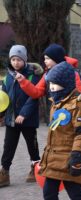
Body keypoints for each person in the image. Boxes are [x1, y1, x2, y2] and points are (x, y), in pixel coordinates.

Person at [39, 62, 81, 199]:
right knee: (49, 193)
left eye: (55, 83)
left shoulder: (79, 104)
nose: (51, 87)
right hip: (54, 159)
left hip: (69, 158)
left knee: (76, 194)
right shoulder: (56, 103)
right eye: (50, 83)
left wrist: (77, 154)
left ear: (65, 83)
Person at [0, 45, 41, 187]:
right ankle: (4, 172)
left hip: (27, 119)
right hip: (12, 119)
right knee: (8, 146)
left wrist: (24, 114)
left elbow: (33, 97)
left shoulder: (32, 75)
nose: (15, 62)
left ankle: (35, 168)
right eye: (13, 59)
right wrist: (1, 114)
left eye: (18, 59)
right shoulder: (7, 77)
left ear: (24, 60)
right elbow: (4, 97)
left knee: (32, 145)